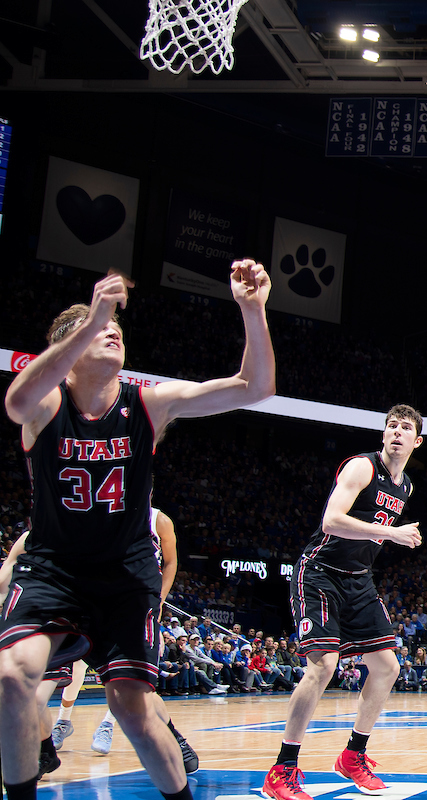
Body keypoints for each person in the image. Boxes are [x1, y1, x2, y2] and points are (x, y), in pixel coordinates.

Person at [0, 261, 273, 800]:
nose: (111, 331)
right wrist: (92, 316)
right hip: (54, 567)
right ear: (67, 352)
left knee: (131, 707)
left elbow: (255, 386)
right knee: (12, 676)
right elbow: (16, 401)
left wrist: (252, 310)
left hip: (125, 575)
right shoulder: (48, 404)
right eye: (99, 328)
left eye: (115, 329)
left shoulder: (147, 404)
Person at [262, 405, 425, 800]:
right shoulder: (361, 468)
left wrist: (389, 535)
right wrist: (393, 534)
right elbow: (332, 521)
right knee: (323, 666)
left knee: (387, 667)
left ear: (417, 441)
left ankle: (353, 756)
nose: (397, 432)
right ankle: (282, 769)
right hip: (319, 573)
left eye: (406, 428)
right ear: (383, 435)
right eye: (392, 426)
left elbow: (371, 534)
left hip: (358, 582)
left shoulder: (406, 486)